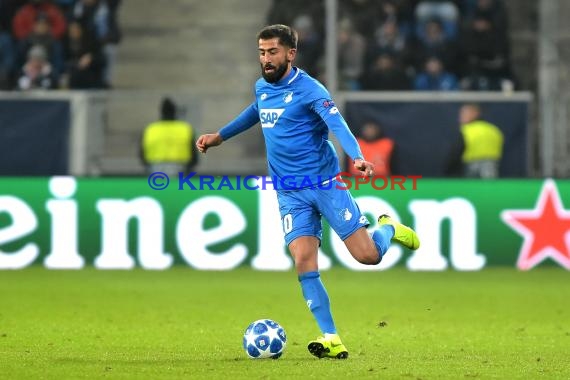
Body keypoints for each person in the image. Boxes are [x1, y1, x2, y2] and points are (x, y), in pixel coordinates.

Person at [196, 24, 420, 360]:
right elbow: (256, 111)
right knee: (303, 259)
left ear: (290, 53)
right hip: (289, 192)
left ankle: (388, 226)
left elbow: (337, 125)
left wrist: (356, 156)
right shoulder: (262, 87)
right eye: (261, 52)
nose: (266, 59)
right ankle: (331, 337)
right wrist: (220, 136)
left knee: (368, 256)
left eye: (272, 52)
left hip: (324, 185)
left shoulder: (311, 90)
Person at [141, 97, 198, 177]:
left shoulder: (151, 129)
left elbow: (142, 152)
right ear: (175, 111)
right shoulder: (185, 128)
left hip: (155, 167)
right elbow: (194, 153)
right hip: (180, 167)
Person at [459, 103, 503, 178]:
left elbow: (457, 148)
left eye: (464, 114)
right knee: (489, 187)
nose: (460, 117)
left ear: (474, 113)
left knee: (471, 187)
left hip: (470, 163)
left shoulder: (465, 130)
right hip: (491, 162)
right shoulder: (493, 129)